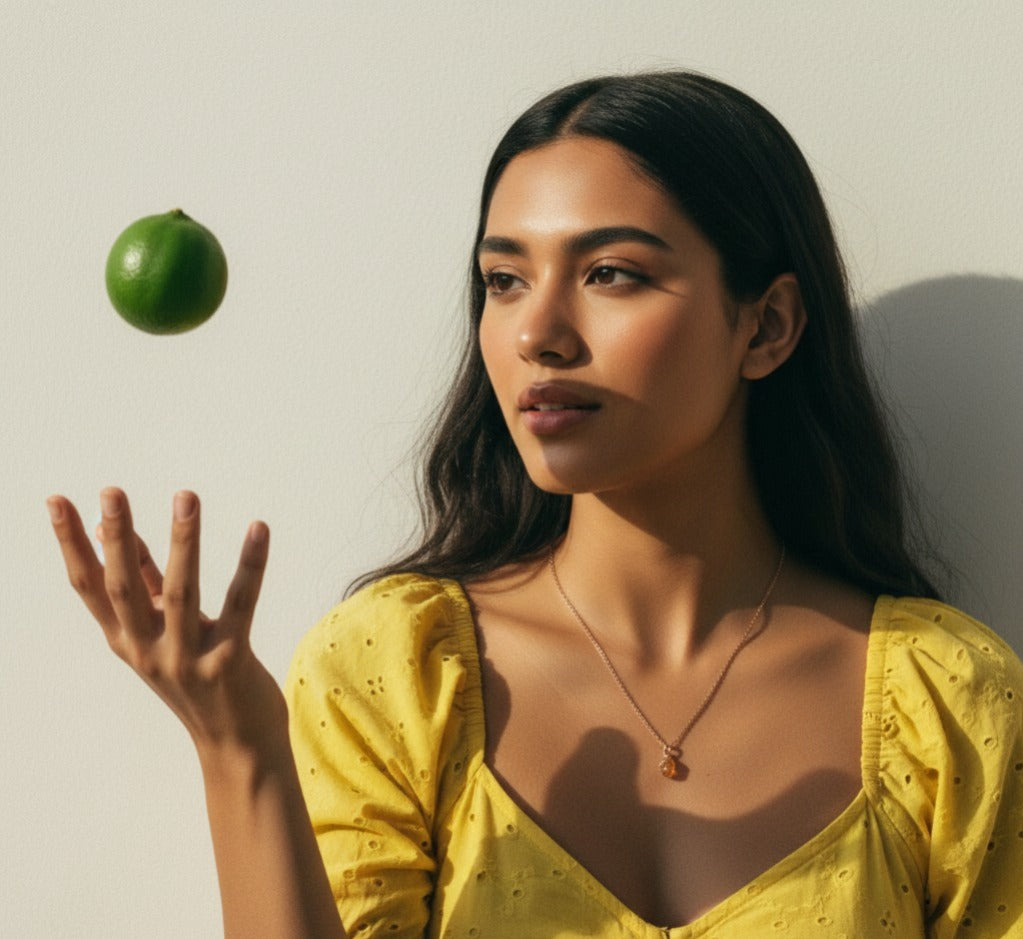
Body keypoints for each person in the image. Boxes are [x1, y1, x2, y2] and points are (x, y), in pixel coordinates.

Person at [48, 71, 1023, 938]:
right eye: (504, 280)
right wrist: (240, 748)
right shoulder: (401, 665)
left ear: (765, 326)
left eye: (612, 274)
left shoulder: (948, 699)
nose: (539, 334)